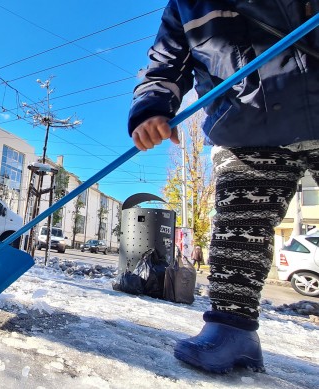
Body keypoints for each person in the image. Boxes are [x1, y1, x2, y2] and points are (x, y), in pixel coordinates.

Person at [128, 1, 319, 373]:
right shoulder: (186, 5)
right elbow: (163, 66)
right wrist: (151, 108)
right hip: (246, 124)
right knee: (238, 231)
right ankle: (231, 331)